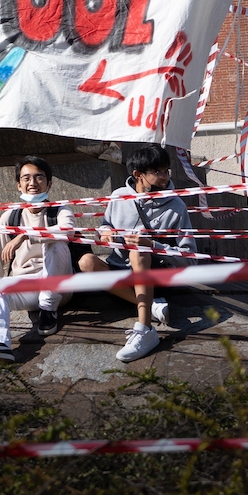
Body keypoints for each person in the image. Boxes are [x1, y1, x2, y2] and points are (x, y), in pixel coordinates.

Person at [78, 142, 193, 363]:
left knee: (138, 251)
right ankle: (151, 306)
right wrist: (105, 232)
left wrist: (153, 246)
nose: (164, 177)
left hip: (155, 274)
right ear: (138, 175)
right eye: (157, 172)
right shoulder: (119, 196)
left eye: (166, 170)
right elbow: (105, 224)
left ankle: (145, 329)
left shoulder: (177, 206)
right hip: (120, 270)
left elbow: (190, 260)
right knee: (86, 262)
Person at [0, 156, 75, 363]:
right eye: (26, 178)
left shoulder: (60, 210)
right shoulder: (10, 217)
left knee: (57, 242)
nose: (32, 183)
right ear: (19, 184)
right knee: (1, 287)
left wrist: (25, 235)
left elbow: (68, 231)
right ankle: (0, 344)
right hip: (26, 286)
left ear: (49, 183)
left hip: (59, 288)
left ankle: (48, 310)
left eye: (39, 178)